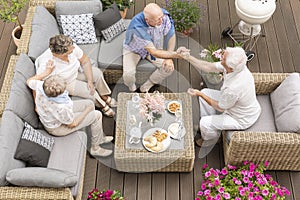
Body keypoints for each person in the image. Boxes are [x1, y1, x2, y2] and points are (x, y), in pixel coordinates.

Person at [177, 46, 261, 147]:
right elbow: (208, 67)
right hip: (235, 104)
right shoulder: (238, 67)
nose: (222, 57)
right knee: (206, 92)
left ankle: (212, 139)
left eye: (224, 58)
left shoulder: (233, 88)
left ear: (230, 67)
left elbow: (220, 107)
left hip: (240, 118)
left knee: (204, 121)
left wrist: (199, 94)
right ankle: (209, 128)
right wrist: (188, 57)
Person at [27, 61, 113, 157]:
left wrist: (46, 73)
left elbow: (29, 81)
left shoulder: (42, 87)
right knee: (97, 115)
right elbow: (72, 124)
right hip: (57, 128)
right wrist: (87, 111)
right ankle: (95, 148)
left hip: (52, 116)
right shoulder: (61, 107)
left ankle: (99, 138)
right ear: (58, 95)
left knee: (89, 103)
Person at [35, 34, 116, 117]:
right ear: (61, 54)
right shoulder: (46, 64)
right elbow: (36, 84)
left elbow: (85, 61)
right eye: (70, 50)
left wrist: (90, 81)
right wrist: (36, 104)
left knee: (97, 74)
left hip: (76, 71)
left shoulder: (70, 46)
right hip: (66, 82)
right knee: (91, 92)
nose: (74, 48)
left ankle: (103, 95)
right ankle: (102, 104)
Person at [123, 3, 182, 92]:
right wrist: (177, 55)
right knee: (128, 75)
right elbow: (153, 52)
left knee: (168, 68)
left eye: (161, 17)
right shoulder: (137, 26)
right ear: (147, 20)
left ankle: (147, 85)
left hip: (154, 46)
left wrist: (169, 57)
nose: (162, 20)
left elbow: (171, 35)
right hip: (134, 49)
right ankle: (131, 86)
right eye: (158, 19)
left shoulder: (164, 16)